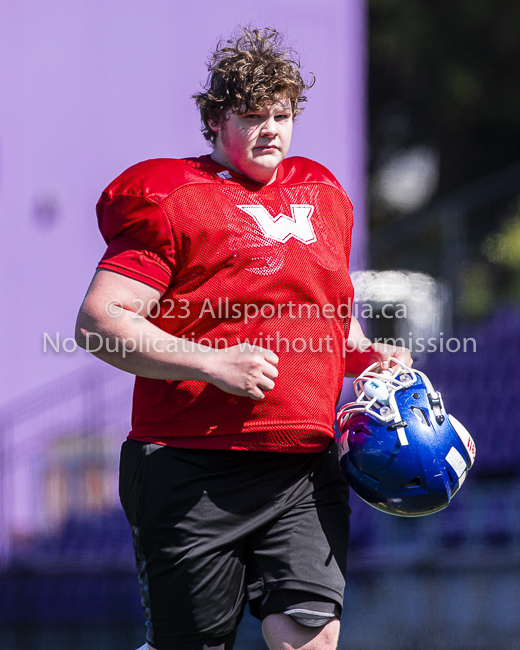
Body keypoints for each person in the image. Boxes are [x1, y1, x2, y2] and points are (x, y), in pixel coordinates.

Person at [75, 27, 411, 650]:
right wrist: (210, 363)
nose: (271, 130)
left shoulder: (323, 193)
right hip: (191, 466)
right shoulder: (172, 199)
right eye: (252, 115)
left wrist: (367, 356)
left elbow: (330, 311)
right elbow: (100, 321)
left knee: (311, 634)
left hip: (304, 467)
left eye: (282, 115)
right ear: (211, 119)